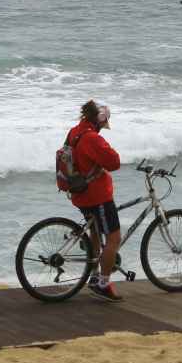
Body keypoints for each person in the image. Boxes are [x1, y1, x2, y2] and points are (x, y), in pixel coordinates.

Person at [64, 99, 123, 301]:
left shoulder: (75, 132)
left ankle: (94, 275)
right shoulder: (92, 139)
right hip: (97, 196)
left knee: (95, 233)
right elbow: (114, 162)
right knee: (114, 238)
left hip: (80, 194)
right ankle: (103, 284)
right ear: (99, 121)